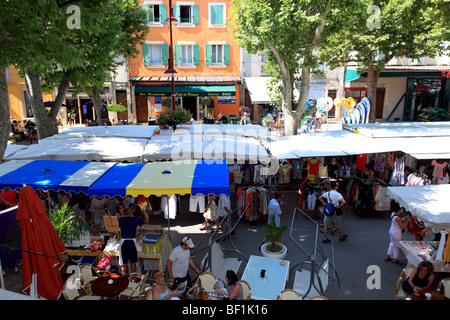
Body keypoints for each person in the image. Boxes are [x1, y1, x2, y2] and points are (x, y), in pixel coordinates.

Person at [118, 204, 145, 274]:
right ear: (133, 211)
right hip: (132, 242)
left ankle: (124, 279)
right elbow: (146, 220)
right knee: (133, 262)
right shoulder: (135, 220)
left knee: (124, 263)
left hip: (124, 242)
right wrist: (144, 212)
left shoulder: (121, 220)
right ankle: (134, 279)